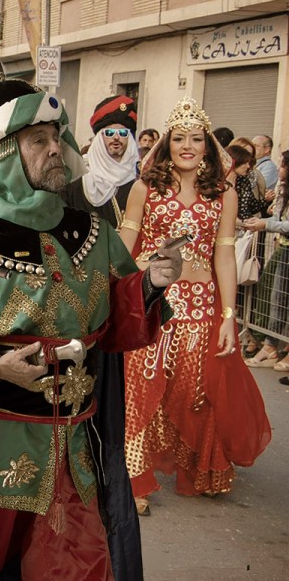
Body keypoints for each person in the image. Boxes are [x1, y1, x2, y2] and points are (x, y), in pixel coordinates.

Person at [0, 77, 183, 581]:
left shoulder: (92, 233)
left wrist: (152, 282)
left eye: (57, 137)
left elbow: (120, 313)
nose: (55, 148)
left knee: (77, 545)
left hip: (75, 432)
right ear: (5, 156)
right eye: (37, 140)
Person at [121, 98, 271, 509]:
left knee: (195, 391)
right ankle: (133, 478)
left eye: (196, 139)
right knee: (140, 387)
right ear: (167, 144)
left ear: (208, 146)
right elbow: (125, 245)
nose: (187, 146)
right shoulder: (145, 188)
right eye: (179, 138)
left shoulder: (223, 194)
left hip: (200, 307)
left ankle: (199, 466)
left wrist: (228, 316)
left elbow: (224, 255)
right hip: (152, 301)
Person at [62, 94, 140, 228]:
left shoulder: (140, 178)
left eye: (123, 133)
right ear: (99, 137)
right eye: (109, 133)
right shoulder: (76, 178)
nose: (116, 138)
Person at [243, 150, 289, 370]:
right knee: (276, 298)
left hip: (284, 247)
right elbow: (280, 218)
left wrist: (267, 224)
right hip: (284, 249)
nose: (278, 169)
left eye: (282, 165)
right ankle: (270, 344)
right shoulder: (283, 190)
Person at [252, 134, 278, 204]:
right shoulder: (253, 163)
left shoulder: (269, 166)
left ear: (267, 149)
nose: (252, 148)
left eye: (256, 146)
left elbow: (256, 188)